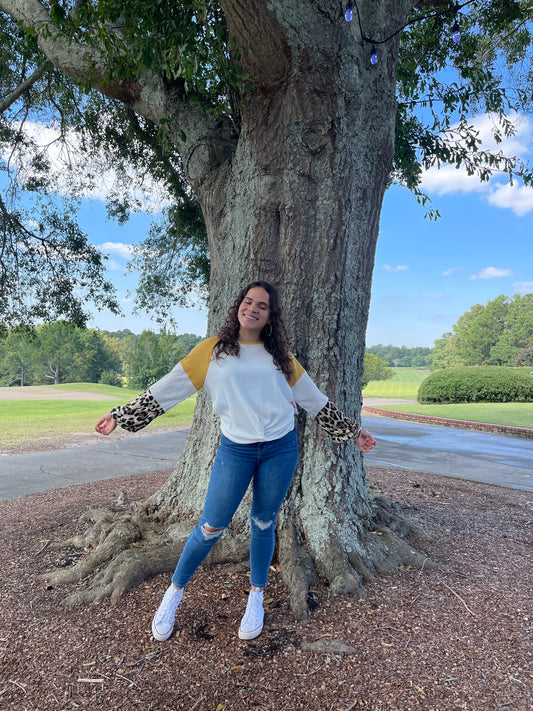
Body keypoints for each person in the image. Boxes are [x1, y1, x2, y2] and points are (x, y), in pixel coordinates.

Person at [95, 281, 377, 642]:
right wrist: (120, 415)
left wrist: (354, 432)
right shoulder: (212, 352)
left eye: (263, 305)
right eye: (248, 301)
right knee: (211, 527)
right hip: (236, 450)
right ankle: (173, 595)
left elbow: (315, 400)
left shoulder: (282, 358)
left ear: (271, 315)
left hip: (280, 449)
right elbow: (166, 389)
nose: (254, 309)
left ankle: (256, 597)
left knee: (263, 523)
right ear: (238, 307)